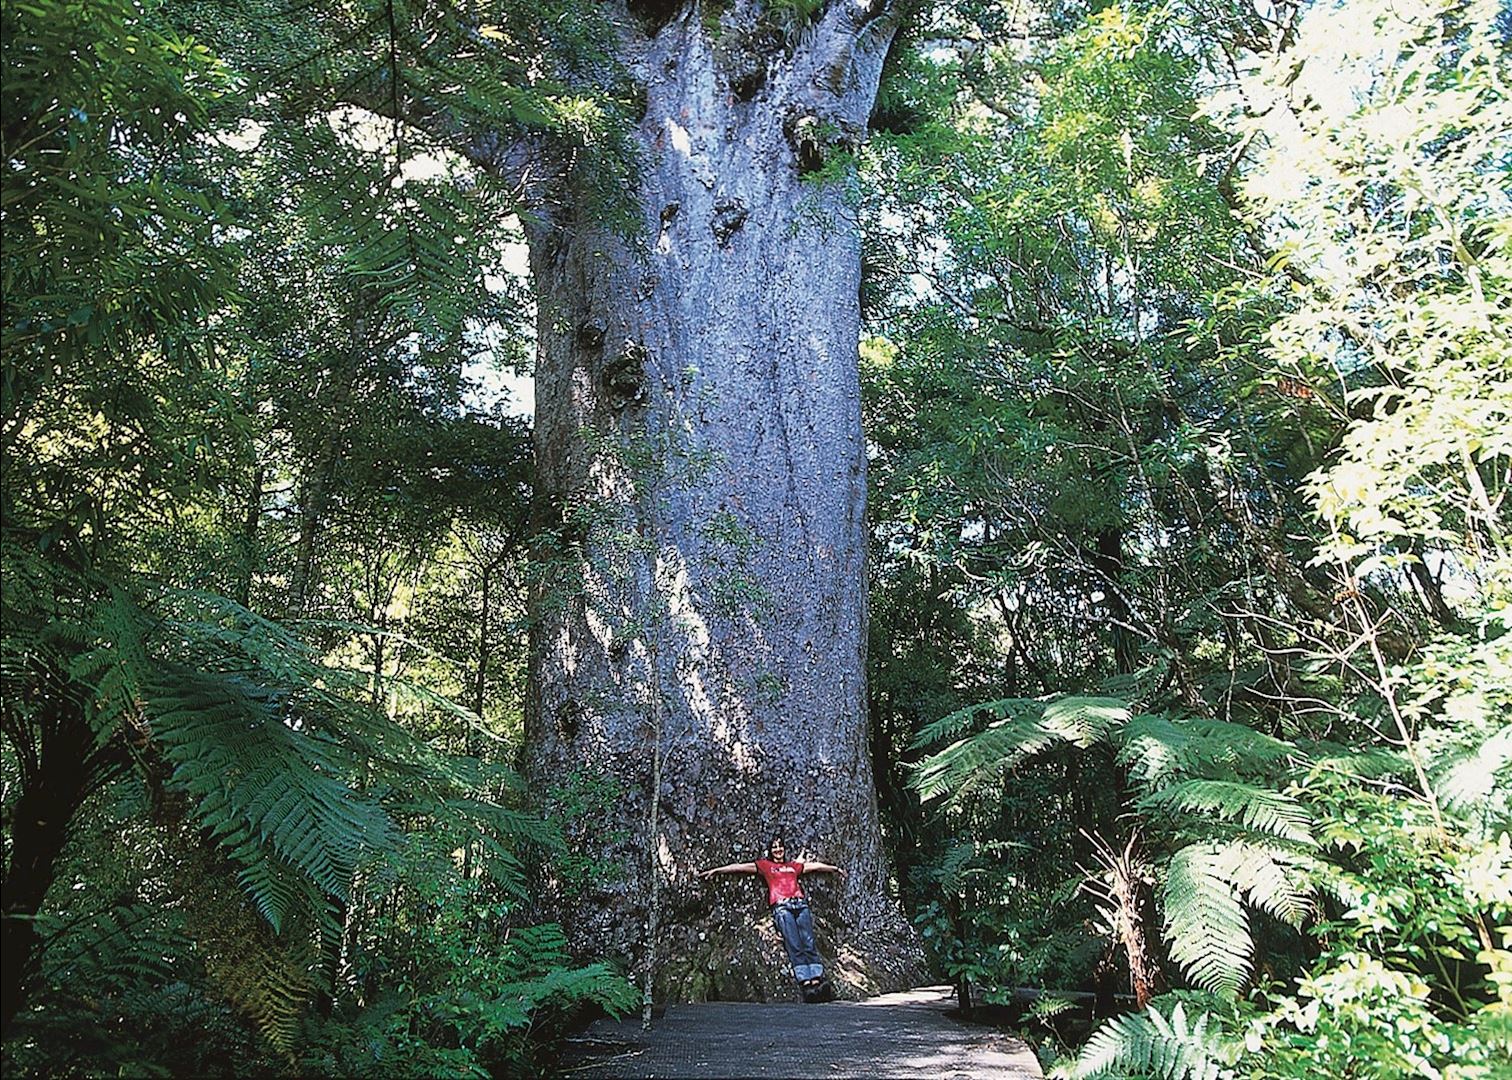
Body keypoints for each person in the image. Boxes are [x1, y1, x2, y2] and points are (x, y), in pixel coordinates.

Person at [697, 836, 842, 1000]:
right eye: (774, 847)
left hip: (800, 905)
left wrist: (833, 868)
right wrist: (718, 870)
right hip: (782, 907)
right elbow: (741, 867)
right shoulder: (766, 866)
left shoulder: (792, 866)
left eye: (780, 846)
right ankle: (805, 981)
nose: (778, 850)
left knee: (808, 941)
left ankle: (817, 978)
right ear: (770, 851)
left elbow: (814, 866)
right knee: (794, 943)